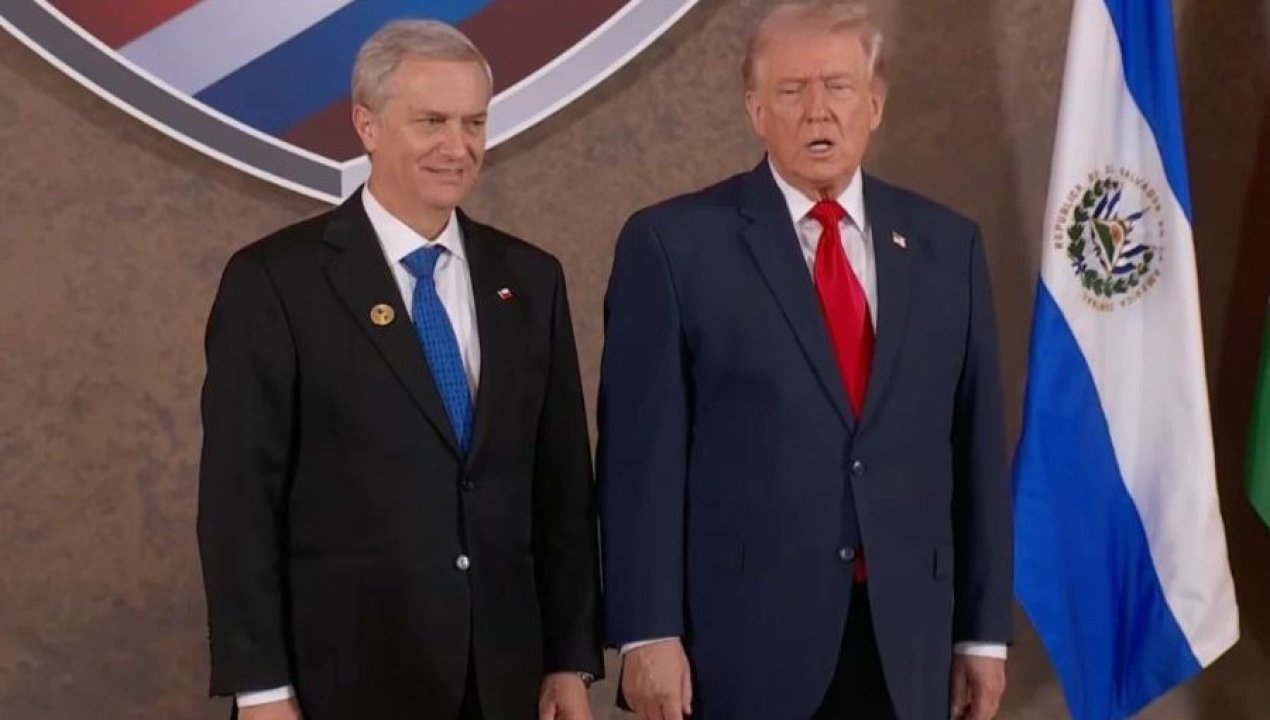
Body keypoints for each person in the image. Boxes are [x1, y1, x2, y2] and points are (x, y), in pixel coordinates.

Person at [598, 2, 1011, 718]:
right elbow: (641, 462)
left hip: (908, 642)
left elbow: (976, 449)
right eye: (791, 90)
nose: (817, 110)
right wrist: (648, 632)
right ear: (755, 110)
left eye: (838, 87)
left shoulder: (948, 246)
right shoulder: (673, 245)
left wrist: (982, 635)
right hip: (743, 645)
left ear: (874, 104)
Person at [197, 19, 601, 720]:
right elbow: (238, 507)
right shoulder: (275, 281)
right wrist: (260, 690)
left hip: (503, 681)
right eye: (431, 121)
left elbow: (560, 486)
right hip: (340, 684)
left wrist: (569, 659)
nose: (458, 146)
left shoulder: (530, 279)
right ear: (368, 125)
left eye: (473, 122)